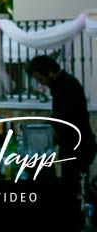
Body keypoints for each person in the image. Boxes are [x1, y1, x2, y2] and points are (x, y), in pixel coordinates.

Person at [27, 54, 97, 230]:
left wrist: (42, 142)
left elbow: (63, 123)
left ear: (50, 71)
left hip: (78, 146)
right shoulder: (61, 85)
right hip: (74, 144)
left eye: (40, 78)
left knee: (73, 190)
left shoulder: (66, 87)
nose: (40, 83)